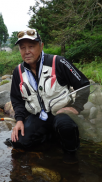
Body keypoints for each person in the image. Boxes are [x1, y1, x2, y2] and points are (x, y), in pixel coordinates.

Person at [9, 29, 90, 164]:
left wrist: (76, 107)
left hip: (61, 113)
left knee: (65, 126)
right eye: (22, 48)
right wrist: (19, 120)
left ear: (41, 46)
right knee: (19, 142)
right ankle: (51, 138)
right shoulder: (18, 71)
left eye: (31, 46)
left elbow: (84, 85)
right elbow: (16, 99)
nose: (27, 51)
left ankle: (71, 158)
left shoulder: (58, 62)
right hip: (38, 116)